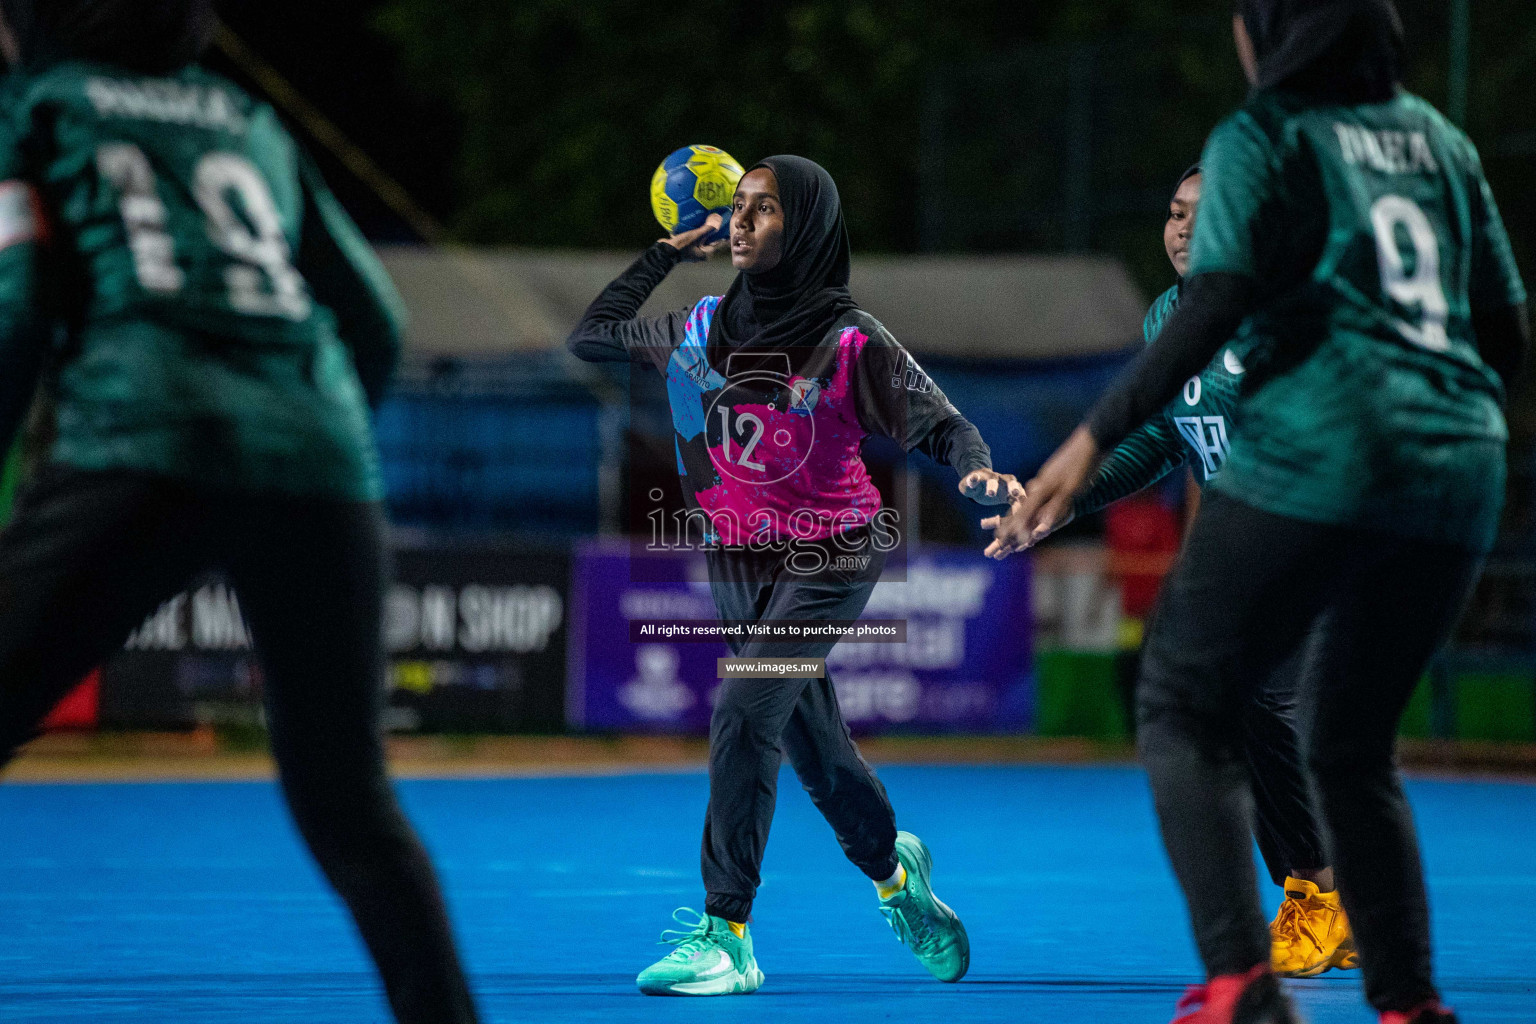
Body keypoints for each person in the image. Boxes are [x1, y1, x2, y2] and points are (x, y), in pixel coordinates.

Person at [986, 2, 1528, 1023]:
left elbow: (1219, 303)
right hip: (1456, 465)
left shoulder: (1265, 134)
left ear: (1277, 34)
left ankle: (1245, 981)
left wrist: (1085, 438)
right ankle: (1408, 997)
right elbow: (1502, 333)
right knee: (1345, 744)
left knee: (1183, 697)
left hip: (1327, 471)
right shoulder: (1440, 142)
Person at [0, 3, 479, 1022]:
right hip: (318, 458)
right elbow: (374, 322)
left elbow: (19, 306)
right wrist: (314, 436)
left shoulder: (33, 107)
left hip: (143, 439)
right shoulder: (246, 118)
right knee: (353, 813)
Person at [569, 155, 1011, 995]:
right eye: (736, 207)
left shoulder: (848, 340)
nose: (740, 221)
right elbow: (591, 334)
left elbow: (943, 423)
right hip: (735, 554)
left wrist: (979, 470)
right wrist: (667, 251)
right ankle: (892, 869)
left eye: (763, 210)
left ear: (803, 226)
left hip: (832, 552)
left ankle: (725, 933)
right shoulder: (698, 325)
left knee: (743, 707)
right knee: (811, 746)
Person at [1025, 164, 1357, 979]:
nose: (1181, 229)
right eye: (1173, 213)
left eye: (1203, 218)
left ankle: (1322, 894)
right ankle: (1323, 900)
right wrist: (1066, 495)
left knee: (1260, 706)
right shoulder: (1167, 319)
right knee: (1231, 714)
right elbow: (1163, 439)